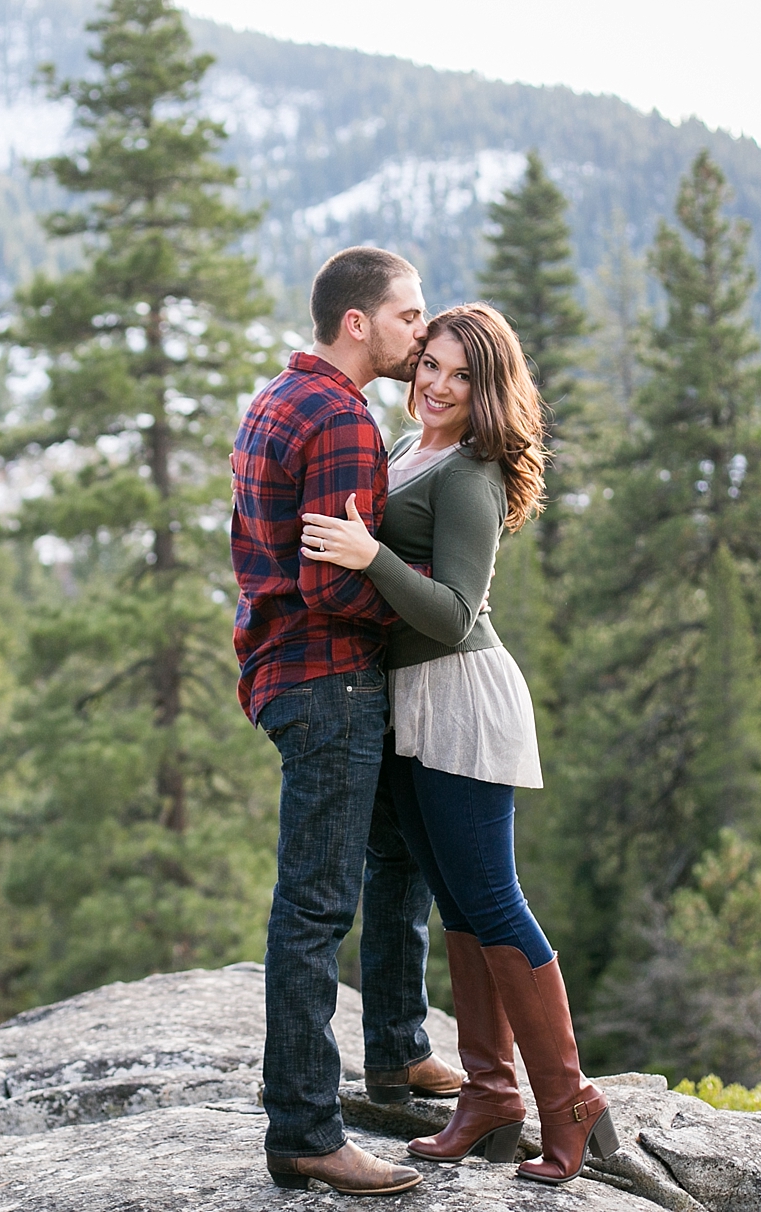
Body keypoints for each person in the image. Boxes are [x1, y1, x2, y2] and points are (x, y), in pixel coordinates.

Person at [300, 303, 619, 1186]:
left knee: (494, 901)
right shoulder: (411, 450)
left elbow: (452, 613)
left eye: (462, 376)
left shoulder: (471, 471)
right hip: (410, 704)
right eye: (430, 365)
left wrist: (369, 556)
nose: (437, 385)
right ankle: (491, 1097)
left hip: (460, 698)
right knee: (461, 909)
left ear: (490, 390)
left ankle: (571, 1103)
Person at [231, 247, 462, 1197]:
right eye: (409, 316)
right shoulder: (339, 419)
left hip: (293, 672)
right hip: (329, 680)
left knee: (394, 856)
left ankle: (399, 1049)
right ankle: (305, 1130)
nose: (422, 330)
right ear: (358, 323)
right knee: (316, 905)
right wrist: (427, 600)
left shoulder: (277, 398)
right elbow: (332, 585)